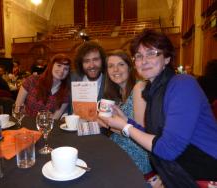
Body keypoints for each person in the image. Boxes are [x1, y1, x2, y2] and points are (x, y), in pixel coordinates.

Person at [99, 29, 217, 187]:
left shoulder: (183, 84)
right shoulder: (153, 90)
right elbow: (153, 135)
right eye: (139, 56)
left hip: (204, 174)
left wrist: (125, 127)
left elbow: (168, 149)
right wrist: (125, 120)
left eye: (151, 53)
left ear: (167, 58)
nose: (144, 61)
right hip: (177, 172)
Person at [103, 50, 152, 175]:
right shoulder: (117, 93)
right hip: (117, 145)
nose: (115, 70)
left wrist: (108, 124)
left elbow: (140, 132)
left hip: (136, 153)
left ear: (130, 67)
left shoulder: (139, 87)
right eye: (111, 66)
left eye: (121, 64)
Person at [15, 53, 71, 119]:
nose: (62, 71)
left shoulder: (66, 92)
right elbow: (17, 108)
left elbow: (54, 119)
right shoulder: (31, 80)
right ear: (51, 66)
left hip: (46, 127)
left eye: (66, 69)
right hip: (25, 124)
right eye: (59, 65)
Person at [68, 41, 106, 113]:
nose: (91, 65)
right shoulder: (72, 78)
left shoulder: (110, 81)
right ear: (81, 64)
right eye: (86, 61)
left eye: (95, 59)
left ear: (102, 60)